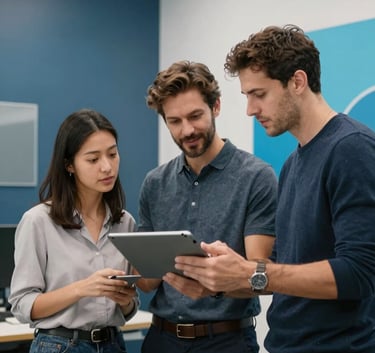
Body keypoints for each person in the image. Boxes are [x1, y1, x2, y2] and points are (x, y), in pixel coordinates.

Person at [174, 25, 375, 353]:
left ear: (297, 82)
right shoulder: (292, 164)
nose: (250, 110)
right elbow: (283, 265)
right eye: (247, 96)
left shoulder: (351, 149)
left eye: (259, 94)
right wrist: (223, 280)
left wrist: (251, 272)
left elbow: (359, 273)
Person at [136, 60, 278, 353]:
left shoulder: (256, 177)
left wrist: (216, 283)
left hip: (226, 341)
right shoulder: (154, 183)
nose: (187, 130)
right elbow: (148, 283)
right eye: (174, 121)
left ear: (216, 107)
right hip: (161, 338)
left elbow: (262, 275)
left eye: (195, 116)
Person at [9, 109, 140, 353]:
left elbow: (129, 309)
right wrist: (81, 288)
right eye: (93, 159)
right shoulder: (38, 221)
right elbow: (22, 304)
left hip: (113, 344)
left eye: (112, 154)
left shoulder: (125, 222)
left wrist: (126, 302)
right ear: (69, 165)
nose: (107, 167)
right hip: (59, 345)